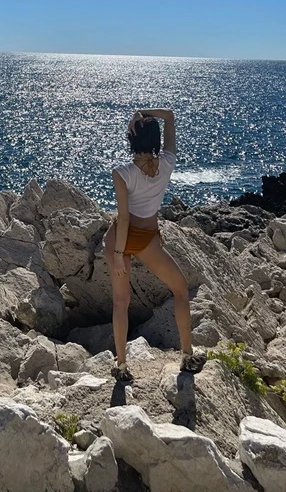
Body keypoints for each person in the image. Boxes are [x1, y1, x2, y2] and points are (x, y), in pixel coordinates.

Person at [104, 108, 206, 381]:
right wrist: (142, 113)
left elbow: (124, 218)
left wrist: (118, 254)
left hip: (119, 238)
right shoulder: (167, 163)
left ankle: (121, 366)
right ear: (156, 140)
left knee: (120, 302)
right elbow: (170, 115)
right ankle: (187, 355)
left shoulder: (122, 173)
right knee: (180, 290)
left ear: (131, 140)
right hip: (146, 239)